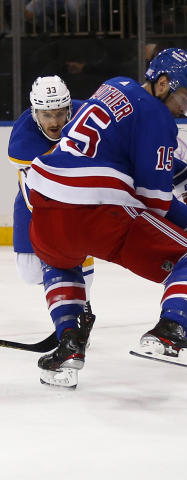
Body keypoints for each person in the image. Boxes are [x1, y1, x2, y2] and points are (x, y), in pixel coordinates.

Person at [26, 48, 187, 388]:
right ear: (162, 84)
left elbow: (113, 148)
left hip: (44, 202)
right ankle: (170, 331)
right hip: (98, 209)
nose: (183, 111)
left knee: (60, 262)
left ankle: (69, 344)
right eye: (184, 100)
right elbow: (155, 203)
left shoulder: (112, 85)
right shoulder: (158, 115)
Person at [7, 75, 96, 340]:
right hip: (35, 206)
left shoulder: (85, 113)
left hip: (75, 203)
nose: (54, 121)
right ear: (35, 114)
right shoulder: (22, 142)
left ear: (69, 108)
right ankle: (61, 290)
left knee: (82, 276)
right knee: (29, 271)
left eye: (59, 113)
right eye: (46, 115)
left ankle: (79, 313)